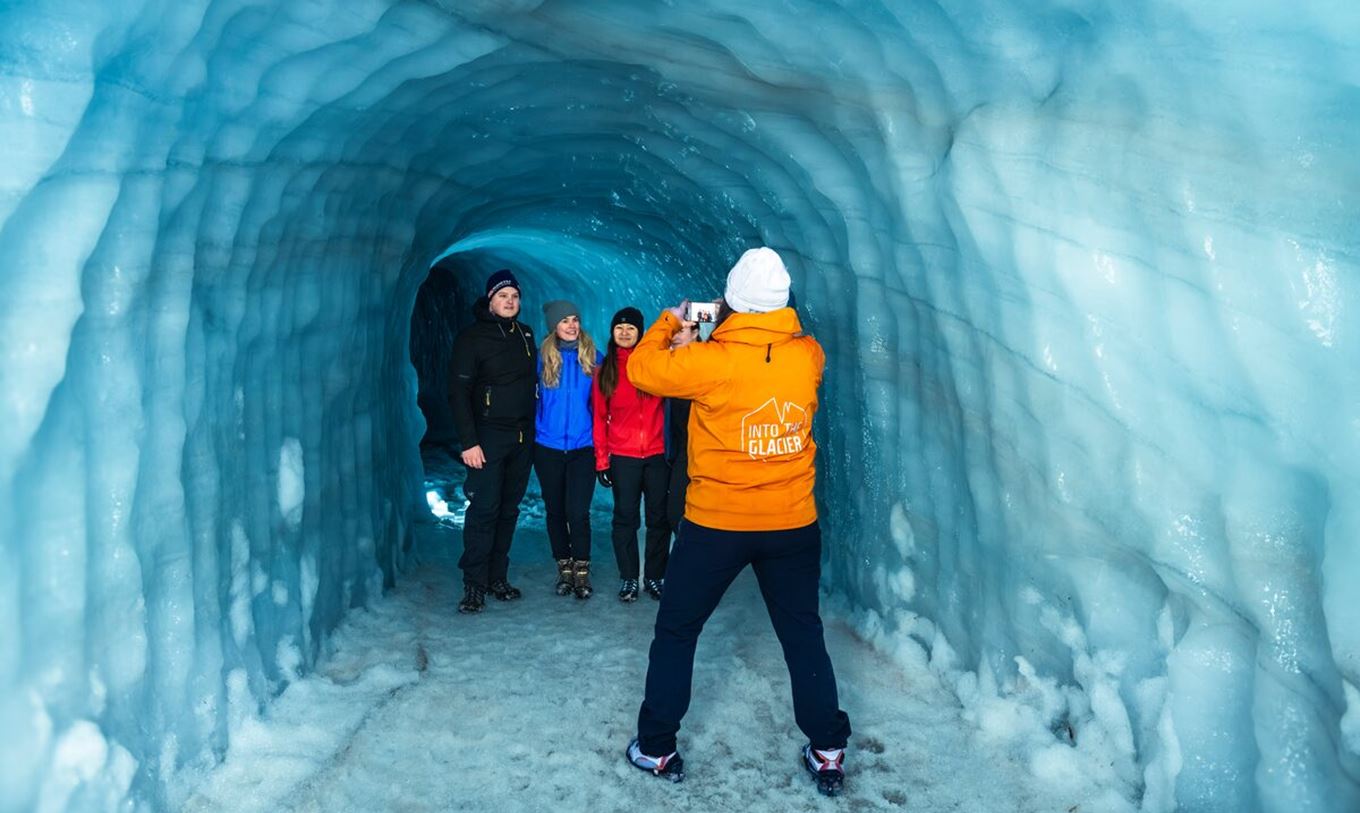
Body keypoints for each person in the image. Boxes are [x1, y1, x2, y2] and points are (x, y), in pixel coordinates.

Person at [621, 247, 852, 796]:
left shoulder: (710, 362)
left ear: (731, 301)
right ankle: (827, 747)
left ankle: (655, 748)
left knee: (678, 631)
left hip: (716, 524)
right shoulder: (809, 354)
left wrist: (673, 322)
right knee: (802, 634)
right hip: (792, 524)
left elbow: (643, 369)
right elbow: (764, 352)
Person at [447, 269, 537, 614]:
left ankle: (497, 576)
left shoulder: (525, 334)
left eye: (514, 296)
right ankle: (473, 584)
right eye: (503, 296)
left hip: (520, 438)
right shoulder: (471, 339)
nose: (510, 301)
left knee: (508, 510)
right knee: (484, 511)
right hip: (486, 439)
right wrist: (469, 442)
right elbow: (458, 392)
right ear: (490, 300)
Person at [592, 306, 669, 603]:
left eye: (631, 329)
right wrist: (602, 460)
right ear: (612, 333)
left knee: (658, 518)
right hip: (623, 456)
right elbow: (599, 418)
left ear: (640, 333)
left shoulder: (653, 366)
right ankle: (628, 578)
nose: (624, 333)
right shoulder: (605, 371)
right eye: (619, 328)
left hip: (656, 454)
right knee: (625, 518)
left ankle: (653, 575)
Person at [533, 300, 603, 599]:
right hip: (547, 446)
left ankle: (582, 572)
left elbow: (604, 404)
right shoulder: (540, 360)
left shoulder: (594, 359)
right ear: (554, 326)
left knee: (578, 512)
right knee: (555, 511)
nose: (572, 325)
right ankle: (564, 569)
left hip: (582, 447)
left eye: (575, 319)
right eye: (565, 321)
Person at [662, 321, 701, 550]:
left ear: (695, 332)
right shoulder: (667, 364)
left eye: (680, 331)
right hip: (677, 452)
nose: (674, 336)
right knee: (674, 512)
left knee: (684, 512)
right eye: (671, 332)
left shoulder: (706, 361)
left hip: (701, 452)